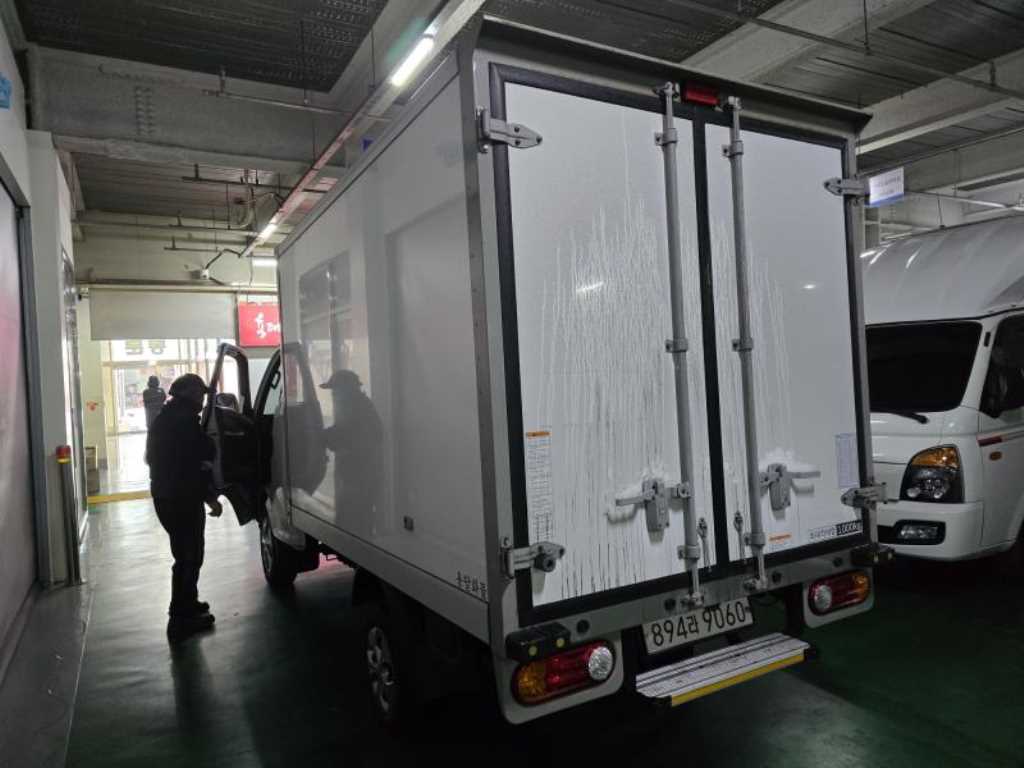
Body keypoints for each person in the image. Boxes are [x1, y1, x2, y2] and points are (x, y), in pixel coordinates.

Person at [145, 373, 216, 640]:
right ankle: (180, 618)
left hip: (168, 495)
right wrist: (209, 495)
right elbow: (194, 460)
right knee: (189, 555)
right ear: (189, 395)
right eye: (200, 395)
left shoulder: (167, 417)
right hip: (181, 497)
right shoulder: (183, 422)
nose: (202, 400)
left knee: (186, 553)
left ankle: (188, 602)